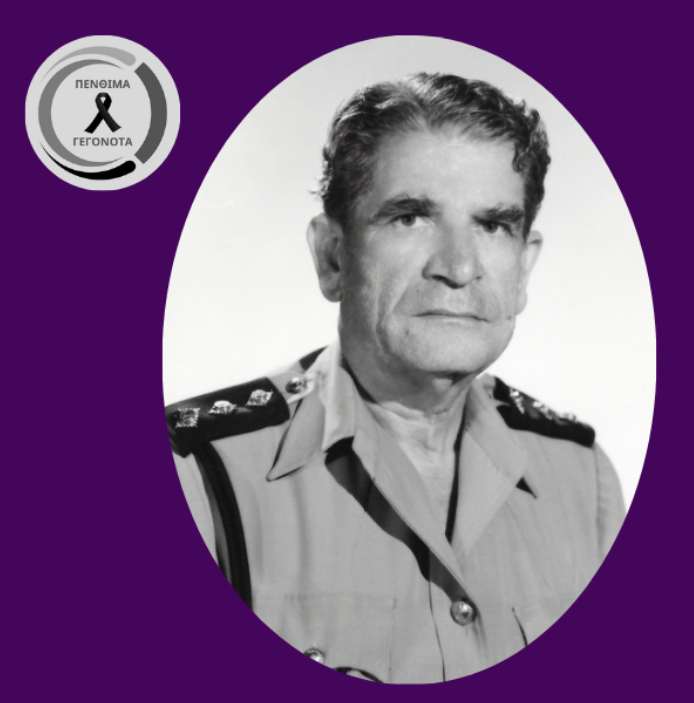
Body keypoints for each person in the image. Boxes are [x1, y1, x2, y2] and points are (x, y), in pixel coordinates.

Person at [167, 72, 625, 683]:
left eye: (493, 225)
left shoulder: (582, 481)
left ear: (523, 270)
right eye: (410, 217)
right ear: (333, 258)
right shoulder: (198, 476)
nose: (459, 267)